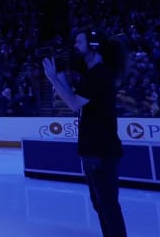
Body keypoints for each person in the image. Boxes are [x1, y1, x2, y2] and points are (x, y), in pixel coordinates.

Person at [43, 29, 128, 237]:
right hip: (93, 150)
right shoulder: (91, 75)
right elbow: (76, 99)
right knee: (101, 205)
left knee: (107, 206)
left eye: (80, 42)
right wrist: (61, 78)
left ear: (94, 46)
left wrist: (53, 79)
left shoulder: (99, 75)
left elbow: (73, 103)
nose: (75, 45)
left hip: (101, 150)